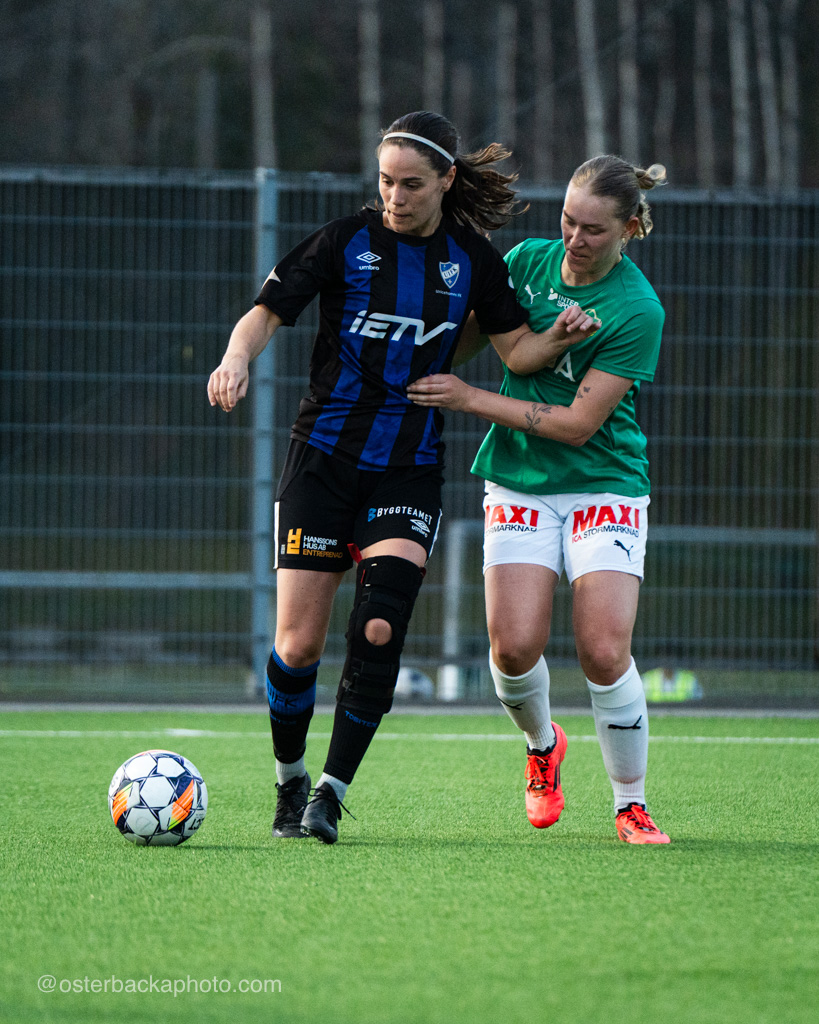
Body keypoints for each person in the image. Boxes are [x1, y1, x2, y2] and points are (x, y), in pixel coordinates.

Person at [207, 111, 600, 844]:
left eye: (411, 184)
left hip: (408, 470)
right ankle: (290, 781)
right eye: (386, 181)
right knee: (297, 645)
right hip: (322, 462)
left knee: (380, 627)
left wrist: (557, 336)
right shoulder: (343, 241)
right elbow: (265, 313)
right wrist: (235, 358)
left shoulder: (471, 258)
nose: (395, 196)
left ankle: (330, 794)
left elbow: (515, 353)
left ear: (446, 180)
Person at [408, 155, 671, 844]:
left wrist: (468, 399)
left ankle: (630, 804)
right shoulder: (526, 262)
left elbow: (578, 425)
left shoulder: (637, 309)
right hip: (519, 481)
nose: (574, 239)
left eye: (593, 229)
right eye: (567, 221)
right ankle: (542, 747)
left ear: (629, 229)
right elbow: (467, 343)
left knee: (603, 651)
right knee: (513, 648)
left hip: (603, 481)